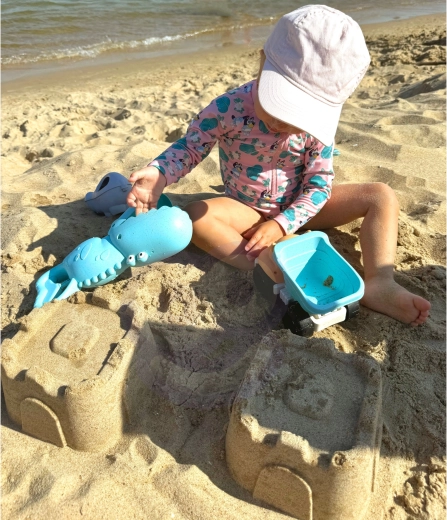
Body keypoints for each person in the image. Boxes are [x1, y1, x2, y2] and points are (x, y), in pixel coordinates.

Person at [126, 5, 430, 326]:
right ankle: (266, 263)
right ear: (262, 63)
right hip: (247, 208)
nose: (283, 123)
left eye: (301, 114)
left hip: (302, 207)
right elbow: (192, 146)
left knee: (380, 196)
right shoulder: (228, 108)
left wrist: (284, 224)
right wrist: (160, 172)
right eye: (280, 104)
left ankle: (380, 280)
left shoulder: (317, 129)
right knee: (195, 216)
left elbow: (319, 187)